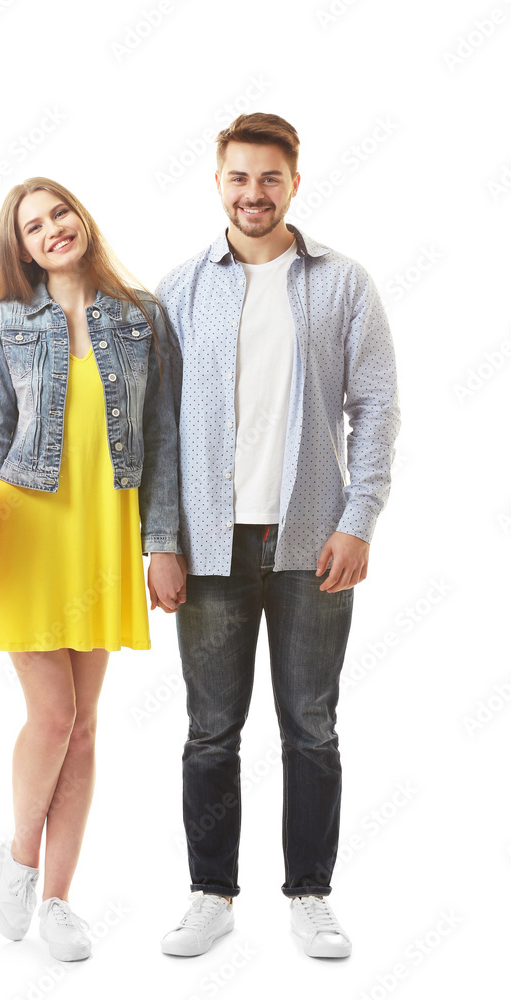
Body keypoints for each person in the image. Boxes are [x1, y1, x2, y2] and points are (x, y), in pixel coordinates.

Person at [0, 178, 186, 962]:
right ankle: (21, 859)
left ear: (82, 217)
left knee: (86, 724)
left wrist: (162, 542)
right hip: (25, 536)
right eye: (34, 226)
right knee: (54, 717)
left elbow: (163, 442)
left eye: (60, 212)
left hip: (103, 533)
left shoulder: (144, 318)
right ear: (21, 249)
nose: (53, 229)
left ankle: (59, 900)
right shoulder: (7, 325)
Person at [154, 113, 400, 959]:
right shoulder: (180, 290)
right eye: (238, 177)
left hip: (309, 545)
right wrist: (161, 540)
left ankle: (311, 893)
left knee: (312, 726)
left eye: (269, 178)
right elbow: (158, 431)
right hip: (210, 548)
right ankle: (210, 891)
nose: (252, 193)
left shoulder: (341, 283)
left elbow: (375, 407)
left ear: (294, 182)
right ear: (216, 181)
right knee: (211, 729)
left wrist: (356, 520)